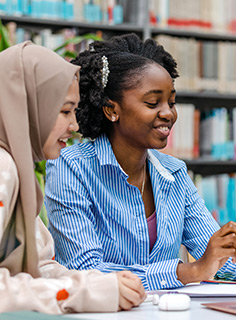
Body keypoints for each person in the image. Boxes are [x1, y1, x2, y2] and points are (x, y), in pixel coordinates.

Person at [44, 33, 236, 291]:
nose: (168, 113)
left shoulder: (174, 172)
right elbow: (84, 269)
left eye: (171, 102)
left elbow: (212, 250)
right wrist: (189, 271)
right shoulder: (71, 167)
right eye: (152, 103)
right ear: (111, 110)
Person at [0, 41, 146, 314]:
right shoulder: (3, 168)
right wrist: (84, 292)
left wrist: (100, 282)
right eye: (65, 111)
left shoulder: (19, 171)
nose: (75, 125)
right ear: (29, 106)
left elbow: (41, 267)